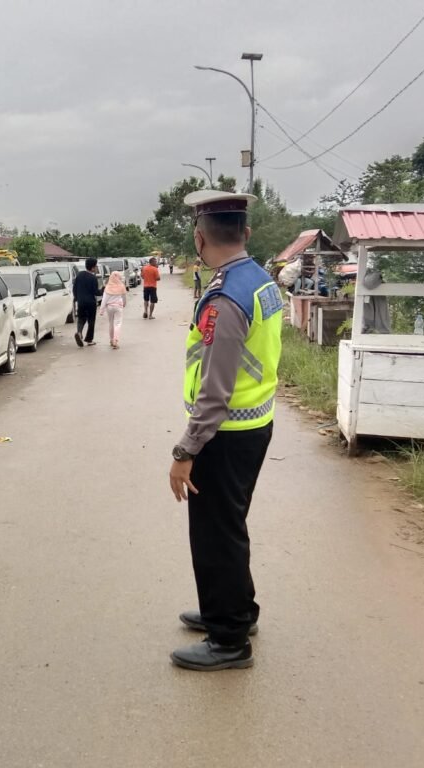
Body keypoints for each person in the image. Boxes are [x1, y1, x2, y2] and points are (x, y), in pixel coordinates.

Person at [167, 190, 284, 672]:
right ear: (247, 233)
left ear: (199, 237)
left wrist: (184, 449)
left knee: (215, 536)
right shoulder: (258, 280)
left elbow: (215, 393)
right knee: (228, 528)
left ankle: (229, 638)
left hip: (224, 435)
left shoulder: (226, 297)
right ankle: (236, 611)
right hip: (254, 424)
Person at [73, 257, 100, 347]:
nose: (96, 268)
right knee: (91, 321)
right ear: (92, 268)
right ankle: (89, 340)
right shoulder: (93, 278)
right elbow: (96, 292)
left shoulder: (79, 275)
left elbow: (74, 288)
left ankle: (79, 333)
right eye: (96, 266)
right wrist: (104, 289)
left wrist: (77, 298)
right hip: (91, 303)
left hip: (81, 301)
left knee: (81, 319)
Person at [100, 271, 128, 348]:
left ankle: (111, 339)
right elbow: (124, 297)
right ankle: (115, 340)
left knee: (111, 323)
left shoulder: (108, 287)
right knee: (118, 323)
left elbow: (104, 300)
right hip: (118, 306)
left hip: (109, 307)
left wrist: (101, 310)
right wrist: (124, 304)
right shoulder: (122, 286)